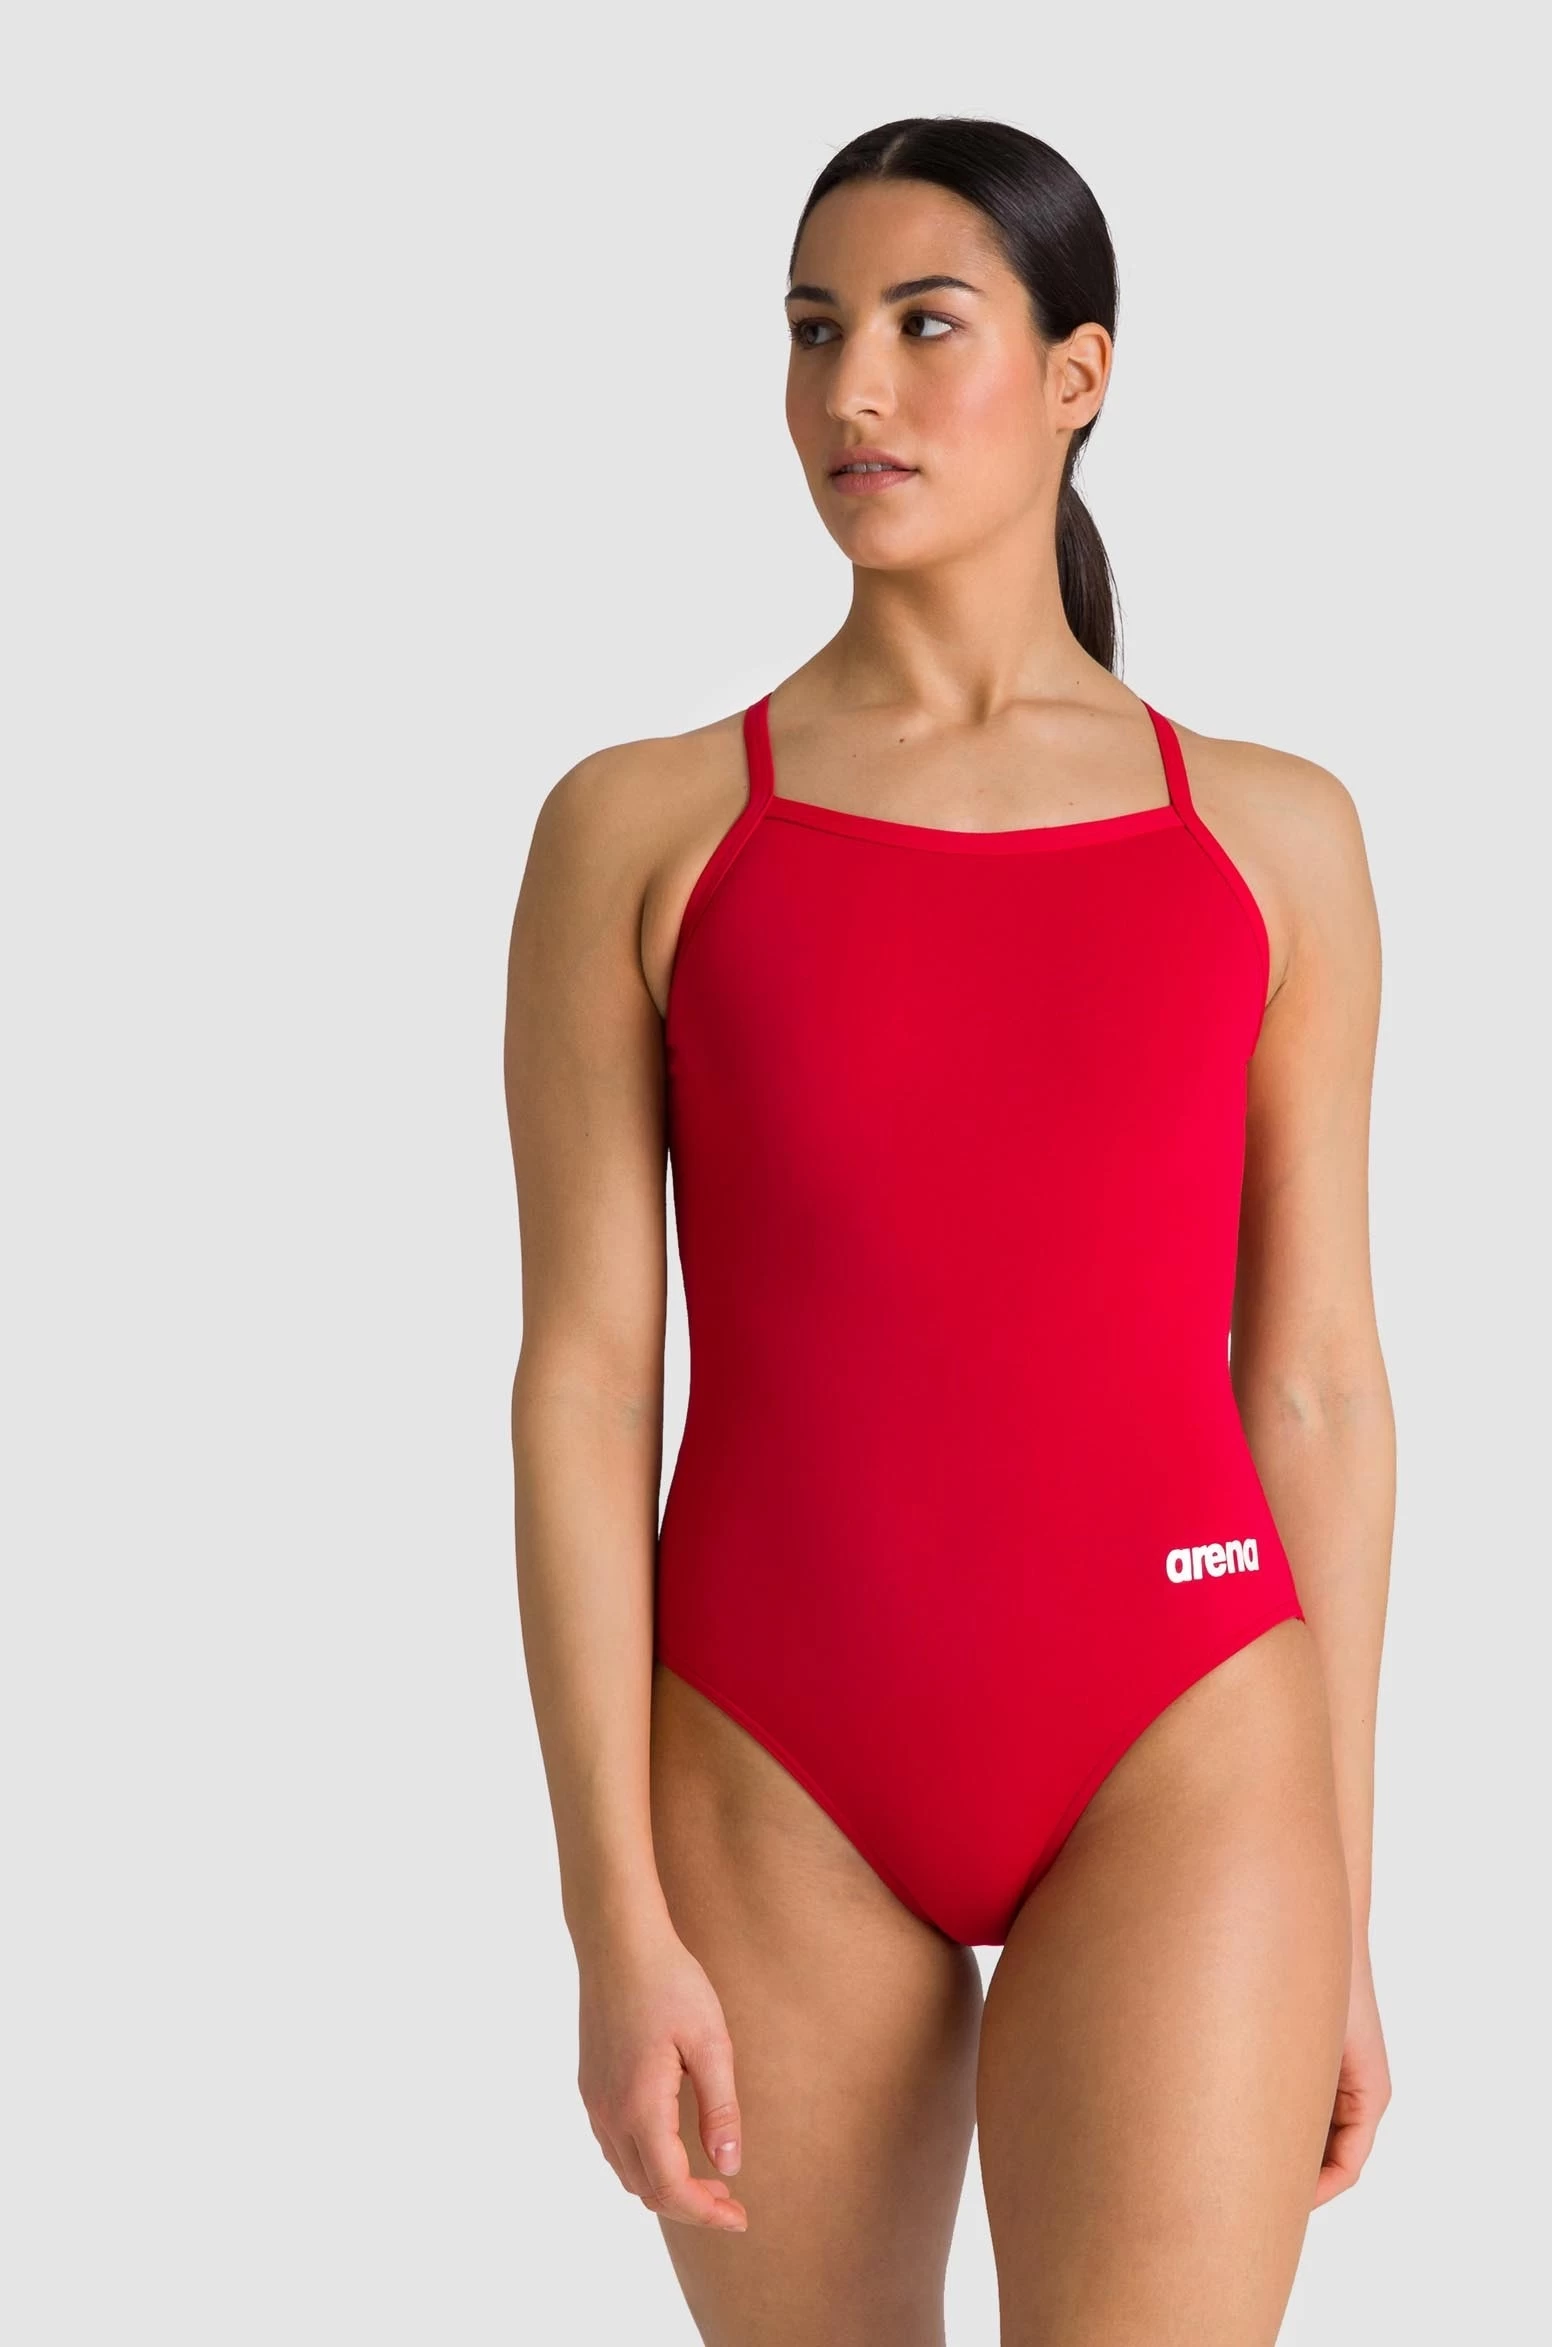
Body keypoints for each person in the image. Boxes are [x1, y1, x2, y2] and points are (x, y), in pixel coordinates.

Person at [505, 114, 1394, 2345]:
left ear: (1082, 374)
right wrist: (609, 1908)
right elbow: (586, 1380)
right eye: (815, 332)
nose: (853, 393)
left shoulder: (1269, 835)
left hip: (1186, 1731)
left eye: (925, 326)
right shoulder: (644, 827)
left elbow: (1312, 1378)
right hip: (769, 1754)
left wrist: (1342, 1903)